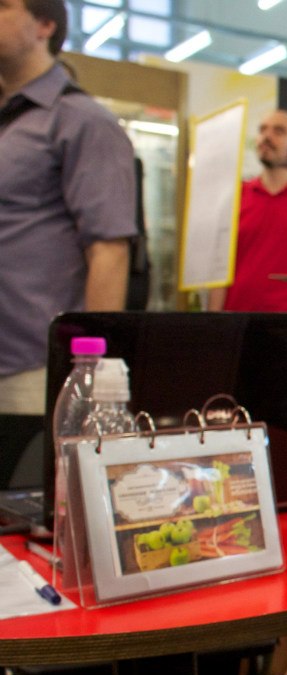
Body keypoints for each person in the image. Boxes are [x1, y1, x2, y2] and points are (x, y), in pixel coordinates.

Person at [0, 0, 135, 414]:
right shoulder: (10, 123)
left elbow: (109, 249)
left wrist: (91, 377)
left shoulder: (81, 121)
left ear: (44, 25)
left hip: (31, 370)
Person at [209, 109, 287, 312]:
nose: (266, 136)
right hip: (237, 321)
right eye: (262, 130)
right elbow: (220, 269)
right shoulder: (236, 197)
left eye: (278, 131)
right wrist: (214, 325)